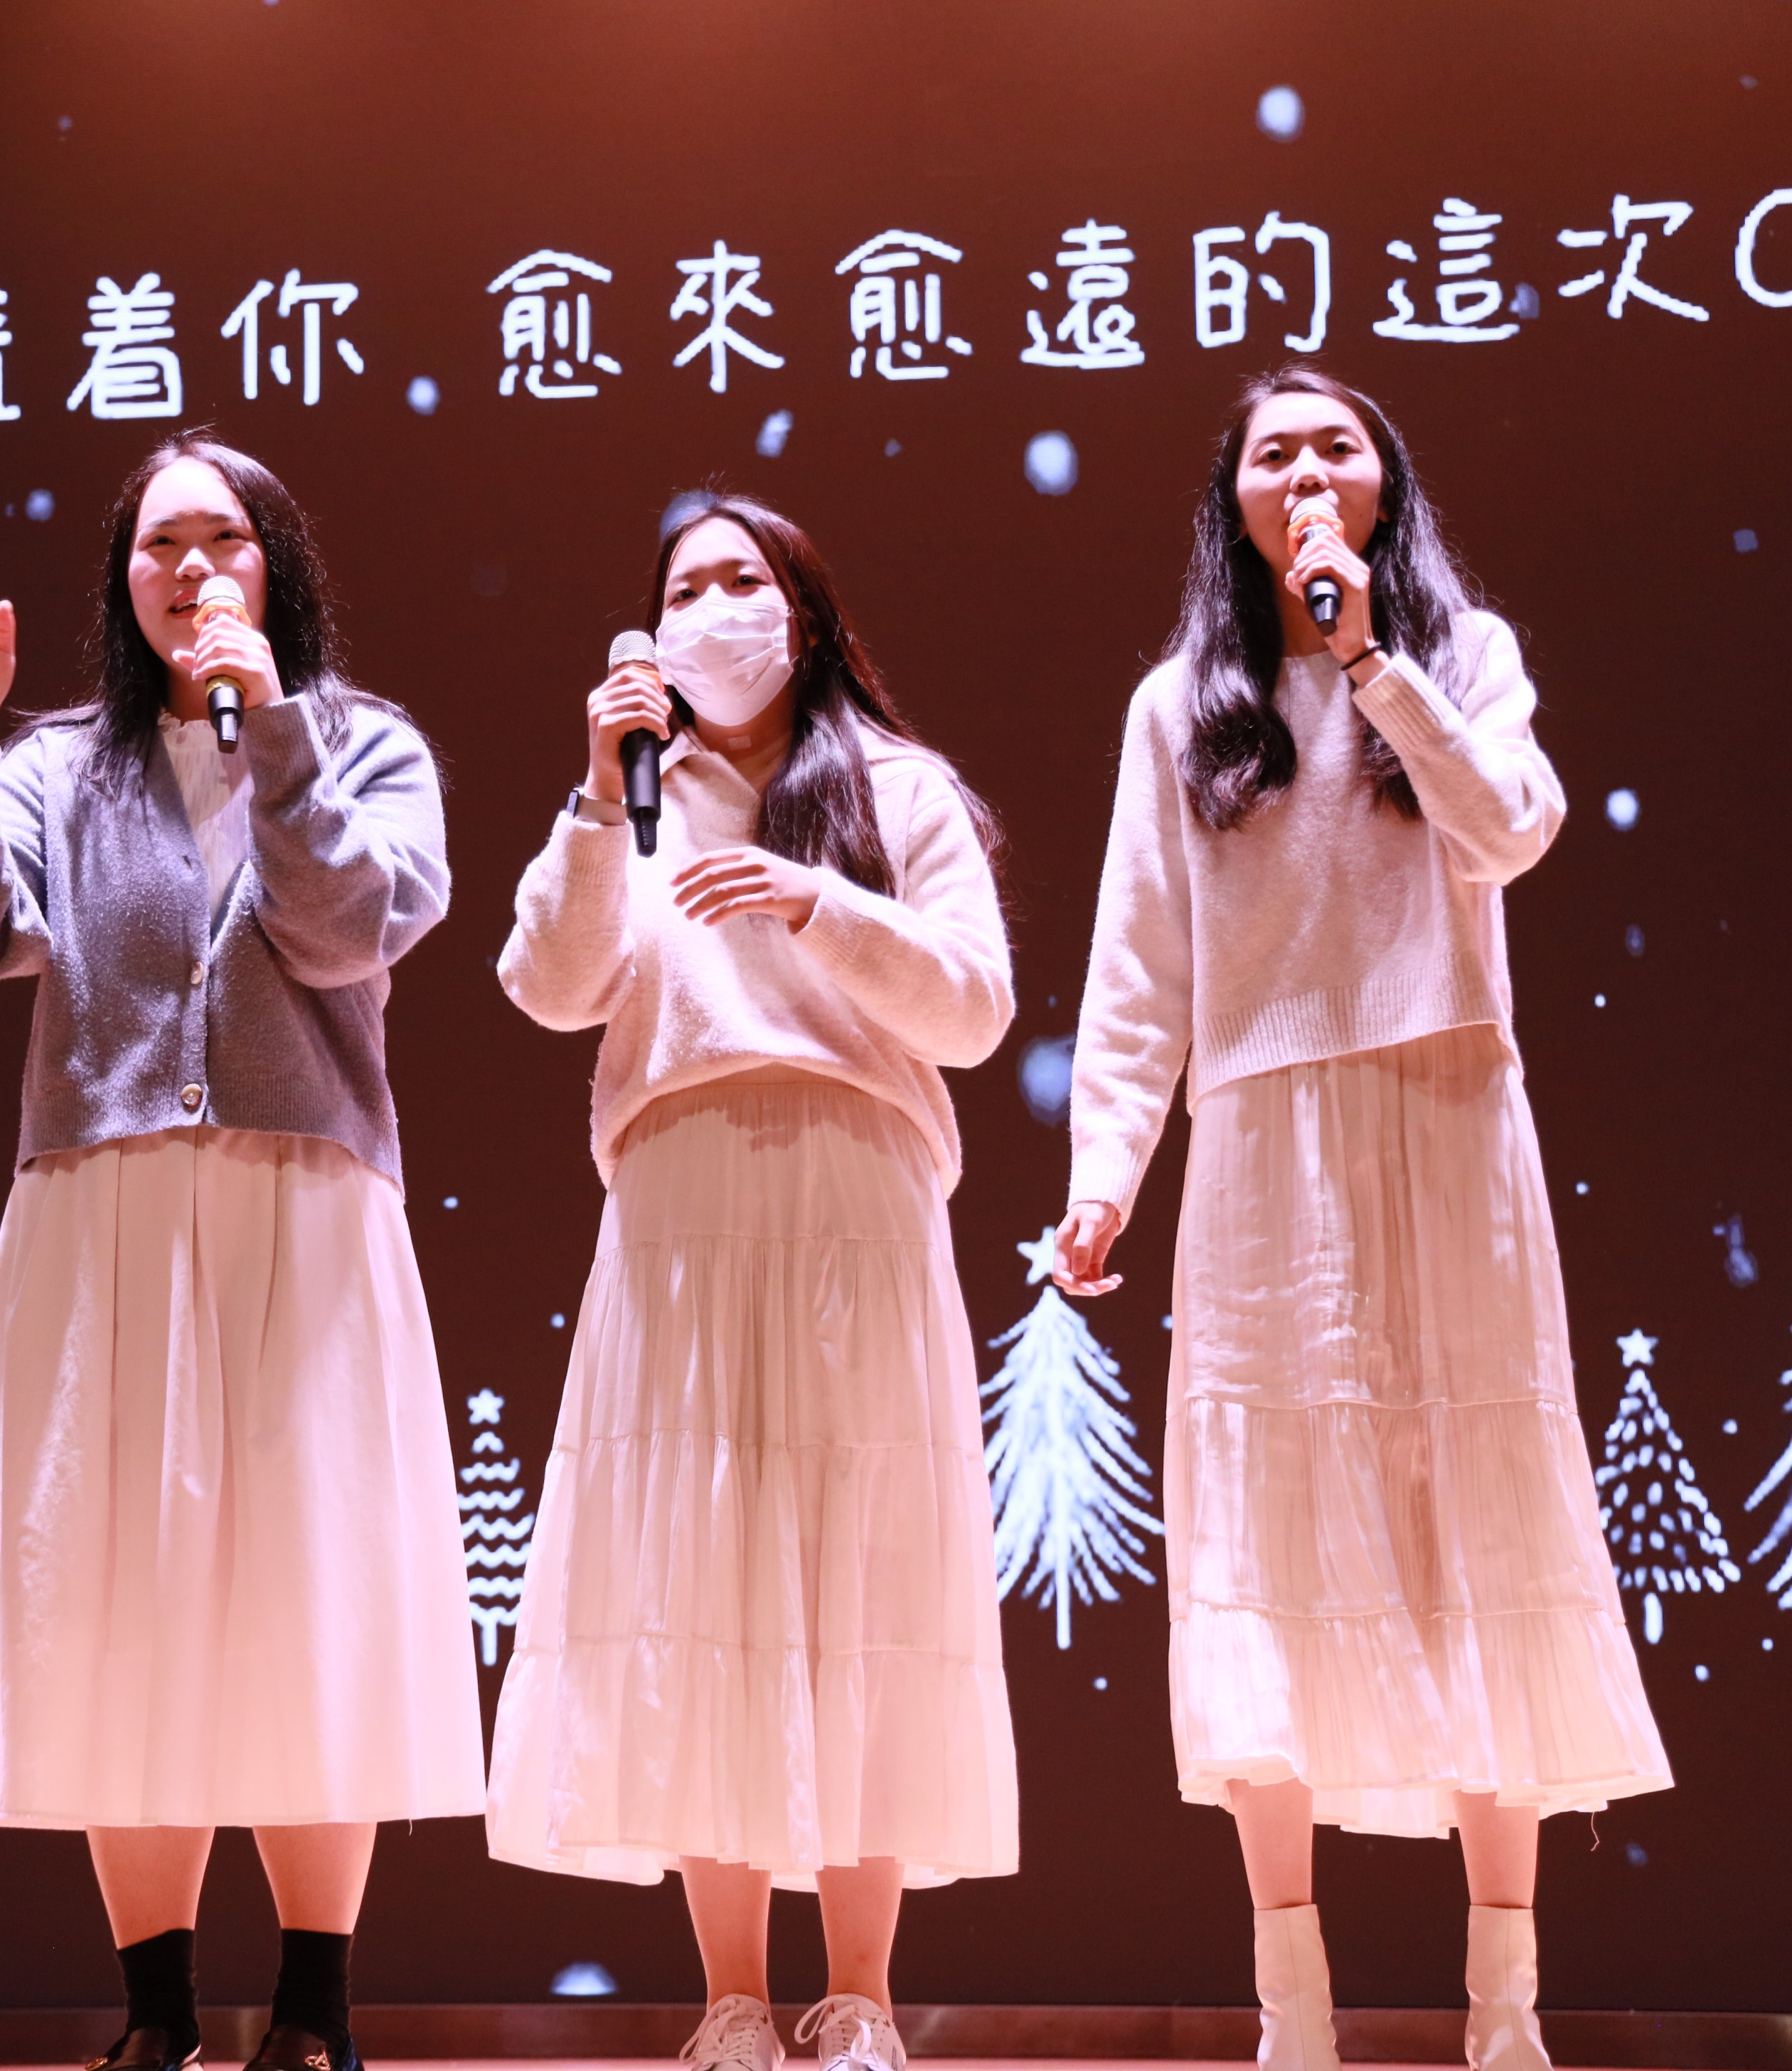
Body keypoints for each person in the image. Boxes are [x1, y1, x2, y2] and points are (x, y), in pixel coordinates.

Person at [1053, 368, 1670, 2071]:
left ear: (1385, 485)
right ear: (1234, 499)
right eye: (1275, 452)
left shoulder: (1462, 654)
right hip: (1264, 1136)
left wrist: (1374, 663)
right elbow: (1139, 961)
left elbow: (1515, 828)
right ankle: (1295, 2012)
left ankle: (1504, 2013)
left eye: (1340, 445)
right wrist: (1106, 1169)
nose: (1309, 472)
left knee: (1476, 1517)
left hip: (1447, 1111)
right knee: (1266, 1534)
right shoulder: (1180, 705)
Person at [0, 435, 481, 2071]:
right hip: (112, 1217)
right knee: (119, 1603)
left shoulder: (363, 742)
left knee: (309, 1593)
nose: (191, 570)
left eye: (223, 539)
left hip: (302, 1213)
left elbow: (347, 927)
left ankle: (314, 2007)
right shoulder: (61, 764)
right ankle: (154, 2010)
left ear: (277, 562)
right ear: (122, 580)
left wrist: (275, 732)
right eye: (158, 546)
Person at [487, 491, 1018, 2071]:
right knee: (694, 1577)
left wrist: (817, 901)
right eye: (685, 588)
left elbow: (976, 1008)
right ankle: (732, 1999)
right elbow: (547, 984)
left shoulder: (899, 790)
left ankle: (859, 1996)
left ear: (805, 611)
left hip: (859, 1196)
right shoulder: (632, 804)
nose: (714, 607)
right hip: (681, 1202)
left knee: (866, 1575)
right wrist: (601, 794)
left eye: (744, 579)